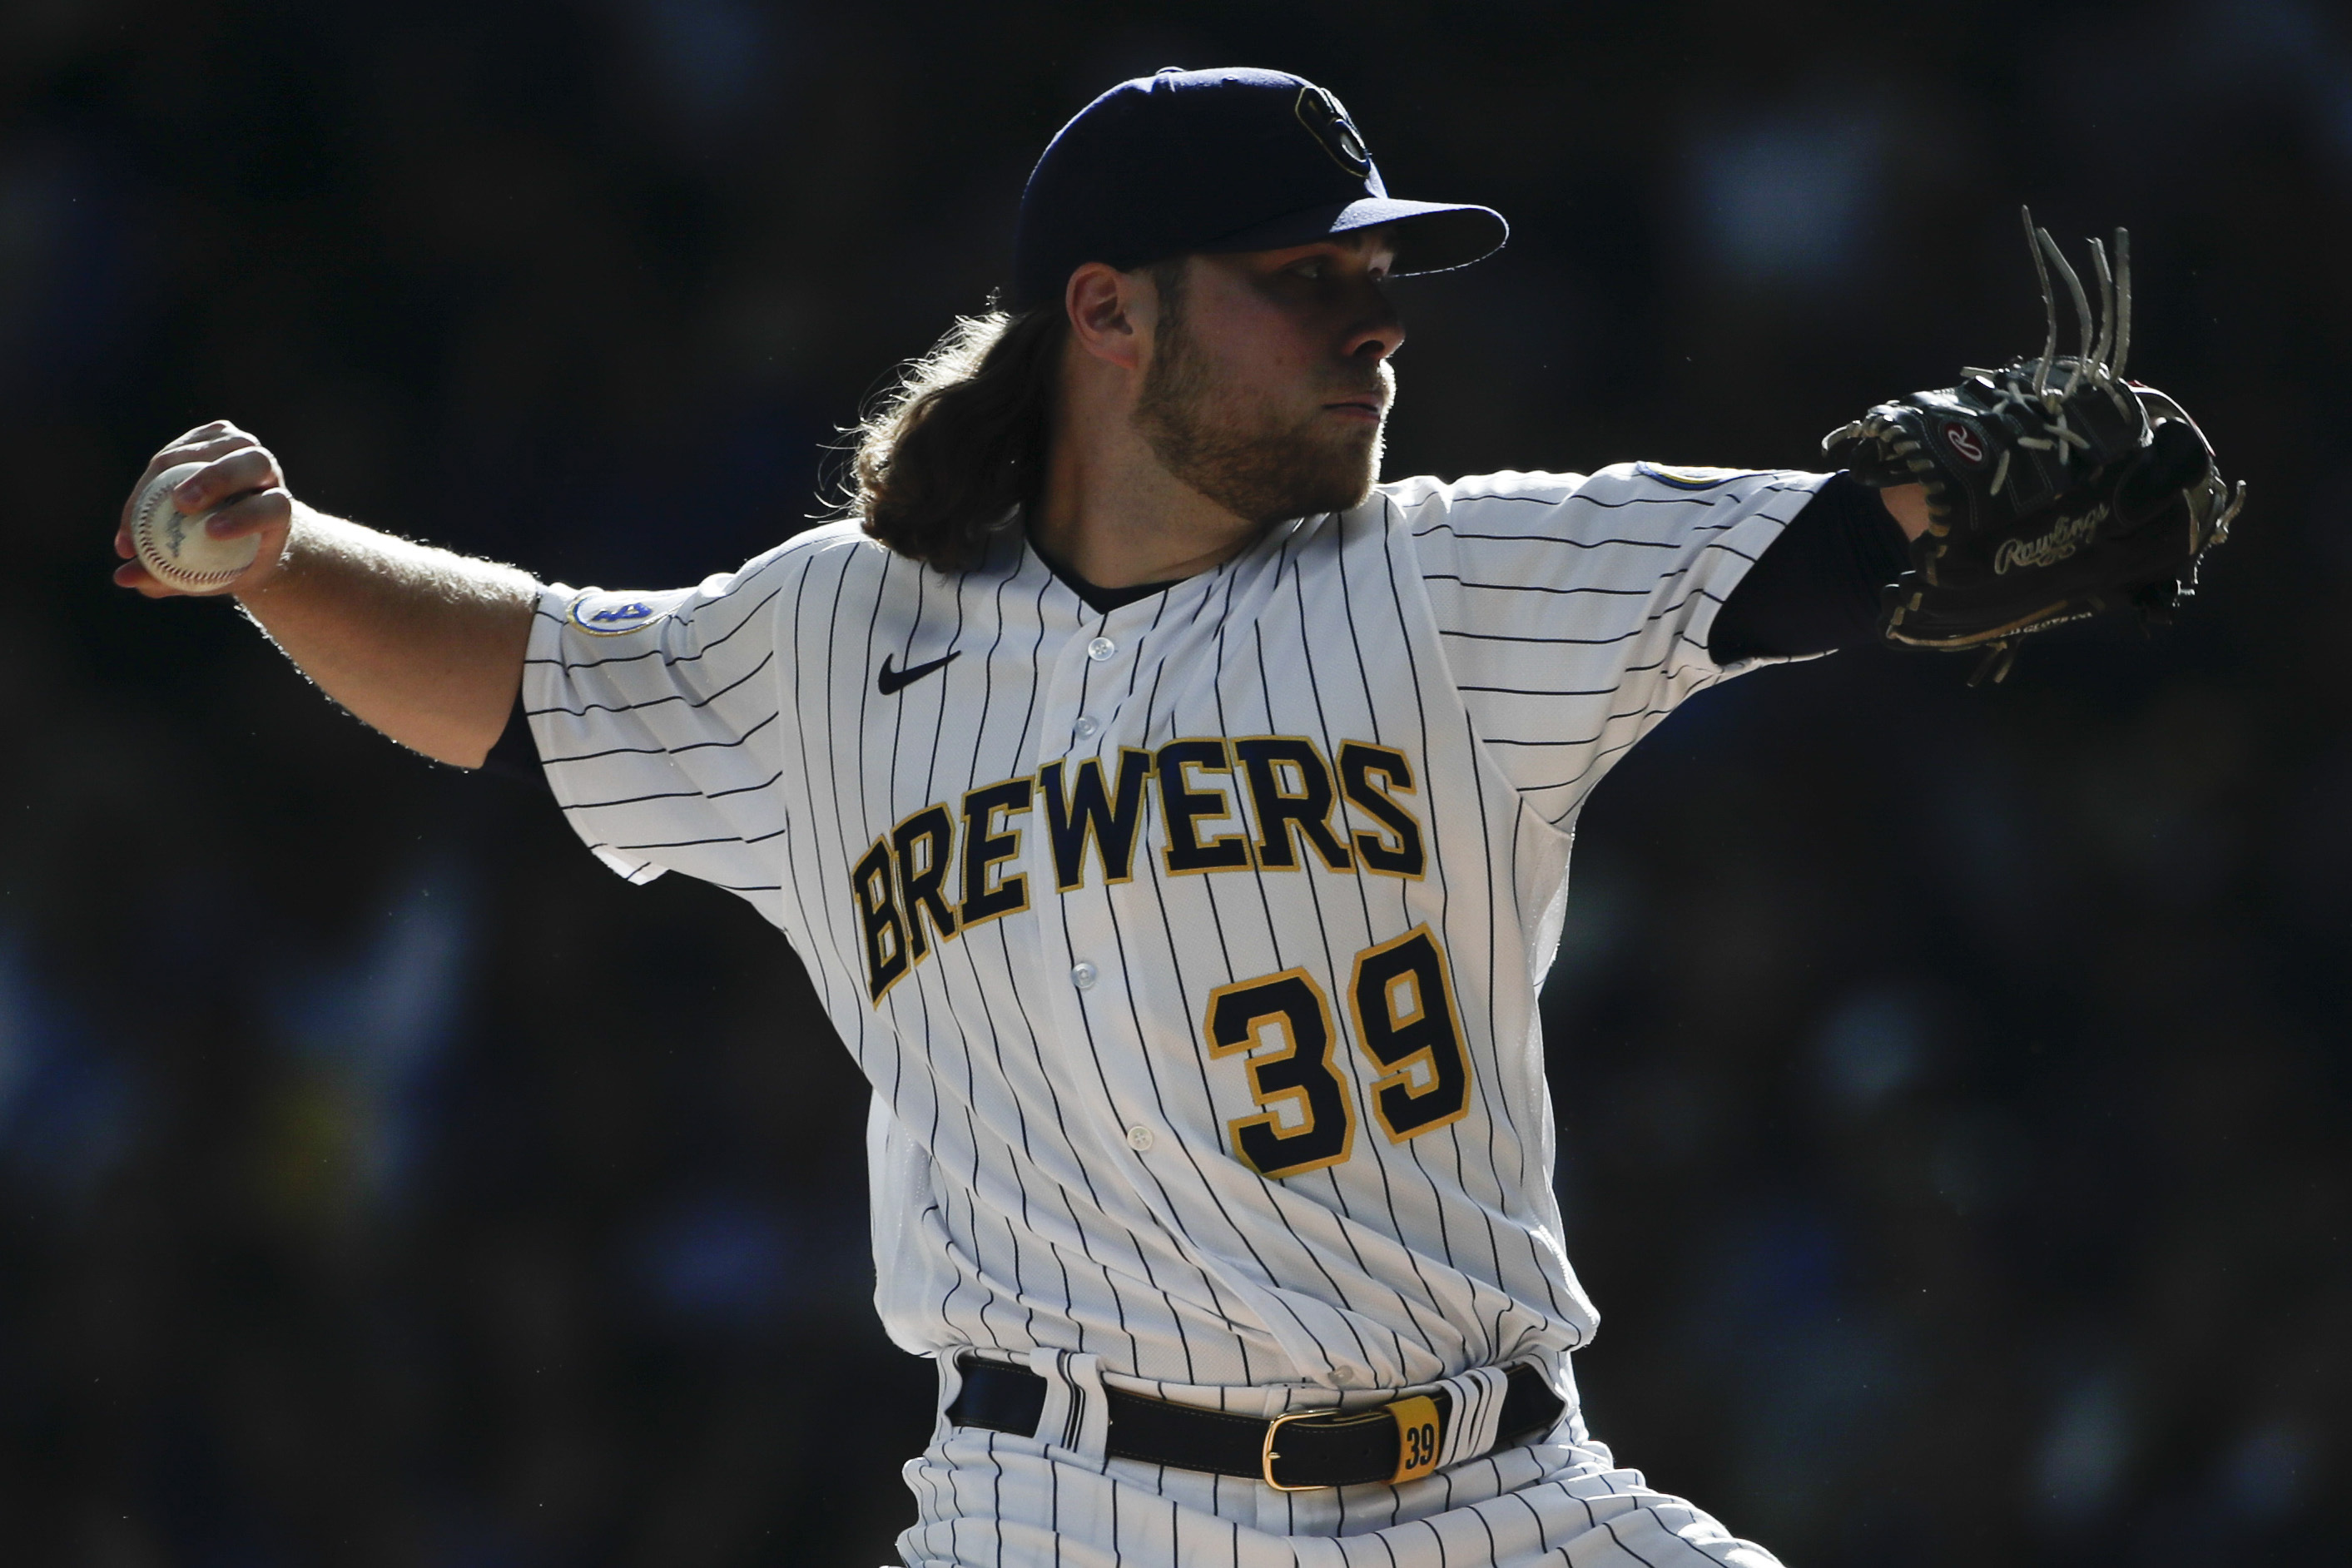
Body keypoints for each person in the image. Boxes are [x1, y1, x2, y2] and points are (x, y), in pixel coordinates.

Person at [120, 67, 1960, 1568]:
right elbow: (524, 683)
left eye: (1377, 275)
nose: (1376, 321)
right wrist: (281, 564)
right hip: (1071, 1511)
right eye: (1301, 278)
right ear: (1106, 312)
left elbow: (1825, 550)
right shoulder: (839, 633)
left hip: (1499, 1495)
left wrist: (1985, 504)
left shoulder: (1446, 579)